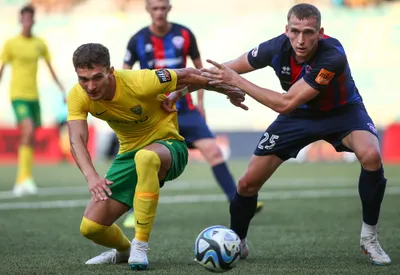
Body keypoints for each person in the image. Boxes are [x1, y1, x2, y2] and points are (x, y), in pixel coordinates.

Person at [164, 3, 391, 266]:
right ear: (286, 30)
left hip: (342, 112)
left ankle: (369, 237)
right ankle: (238, 240)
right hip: (298, 118)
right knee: (246, 184)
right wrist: (181, 92)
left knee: (372, 155)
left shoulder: (332, 56)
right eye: (295, 32)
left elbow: (284, 103)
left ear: (320, 32)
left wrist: (237, 82)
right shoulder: (275, 47)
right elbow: (224, 69)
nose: (301, 40)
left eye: (309, 32)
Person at [67, 43, 245, 271]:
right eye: (83, 79)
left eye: (96, 77)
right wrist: (92, 176)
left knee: (146, 158)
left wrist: (227, 89)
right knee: (92, 228)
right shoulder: (78, 95)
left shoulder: (140, 81)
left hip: (169, 146)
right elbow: (76, 139)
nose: (90, 86)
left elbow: (191, 75)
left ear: (110, 71)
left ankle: (140, 246)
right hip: (129, 155)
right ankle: (124, 250)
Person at [121, 0, 262, 228]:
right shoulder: (137, 39)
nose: (159, 12)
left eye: (163, 8)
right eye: (155, 8)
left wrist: (201, 104)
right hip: (155, 112)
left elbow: (199, 71)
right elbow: (125, 77)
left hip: (185, 108)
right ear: (148, 10)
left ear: (169, 8)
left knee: (214, 151)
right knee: (147, 161)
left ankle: (238, 202)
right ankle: (131, 209)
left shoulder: (185, 35)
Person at [0, 5, 65, 197]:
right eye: (25, 18)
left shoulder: (40, 44)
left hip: (34, 97)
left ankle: (26, 177)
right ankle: (22, 179)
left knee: (30, 135)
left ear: (34, 20)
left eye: (31, 18)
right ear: (21, 20)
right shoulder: (11, 44)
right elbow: (2, 68)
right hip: (17, 95)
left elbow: (50, 66)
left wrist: (61, 87)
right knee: (27, 129)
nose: (28, 21)